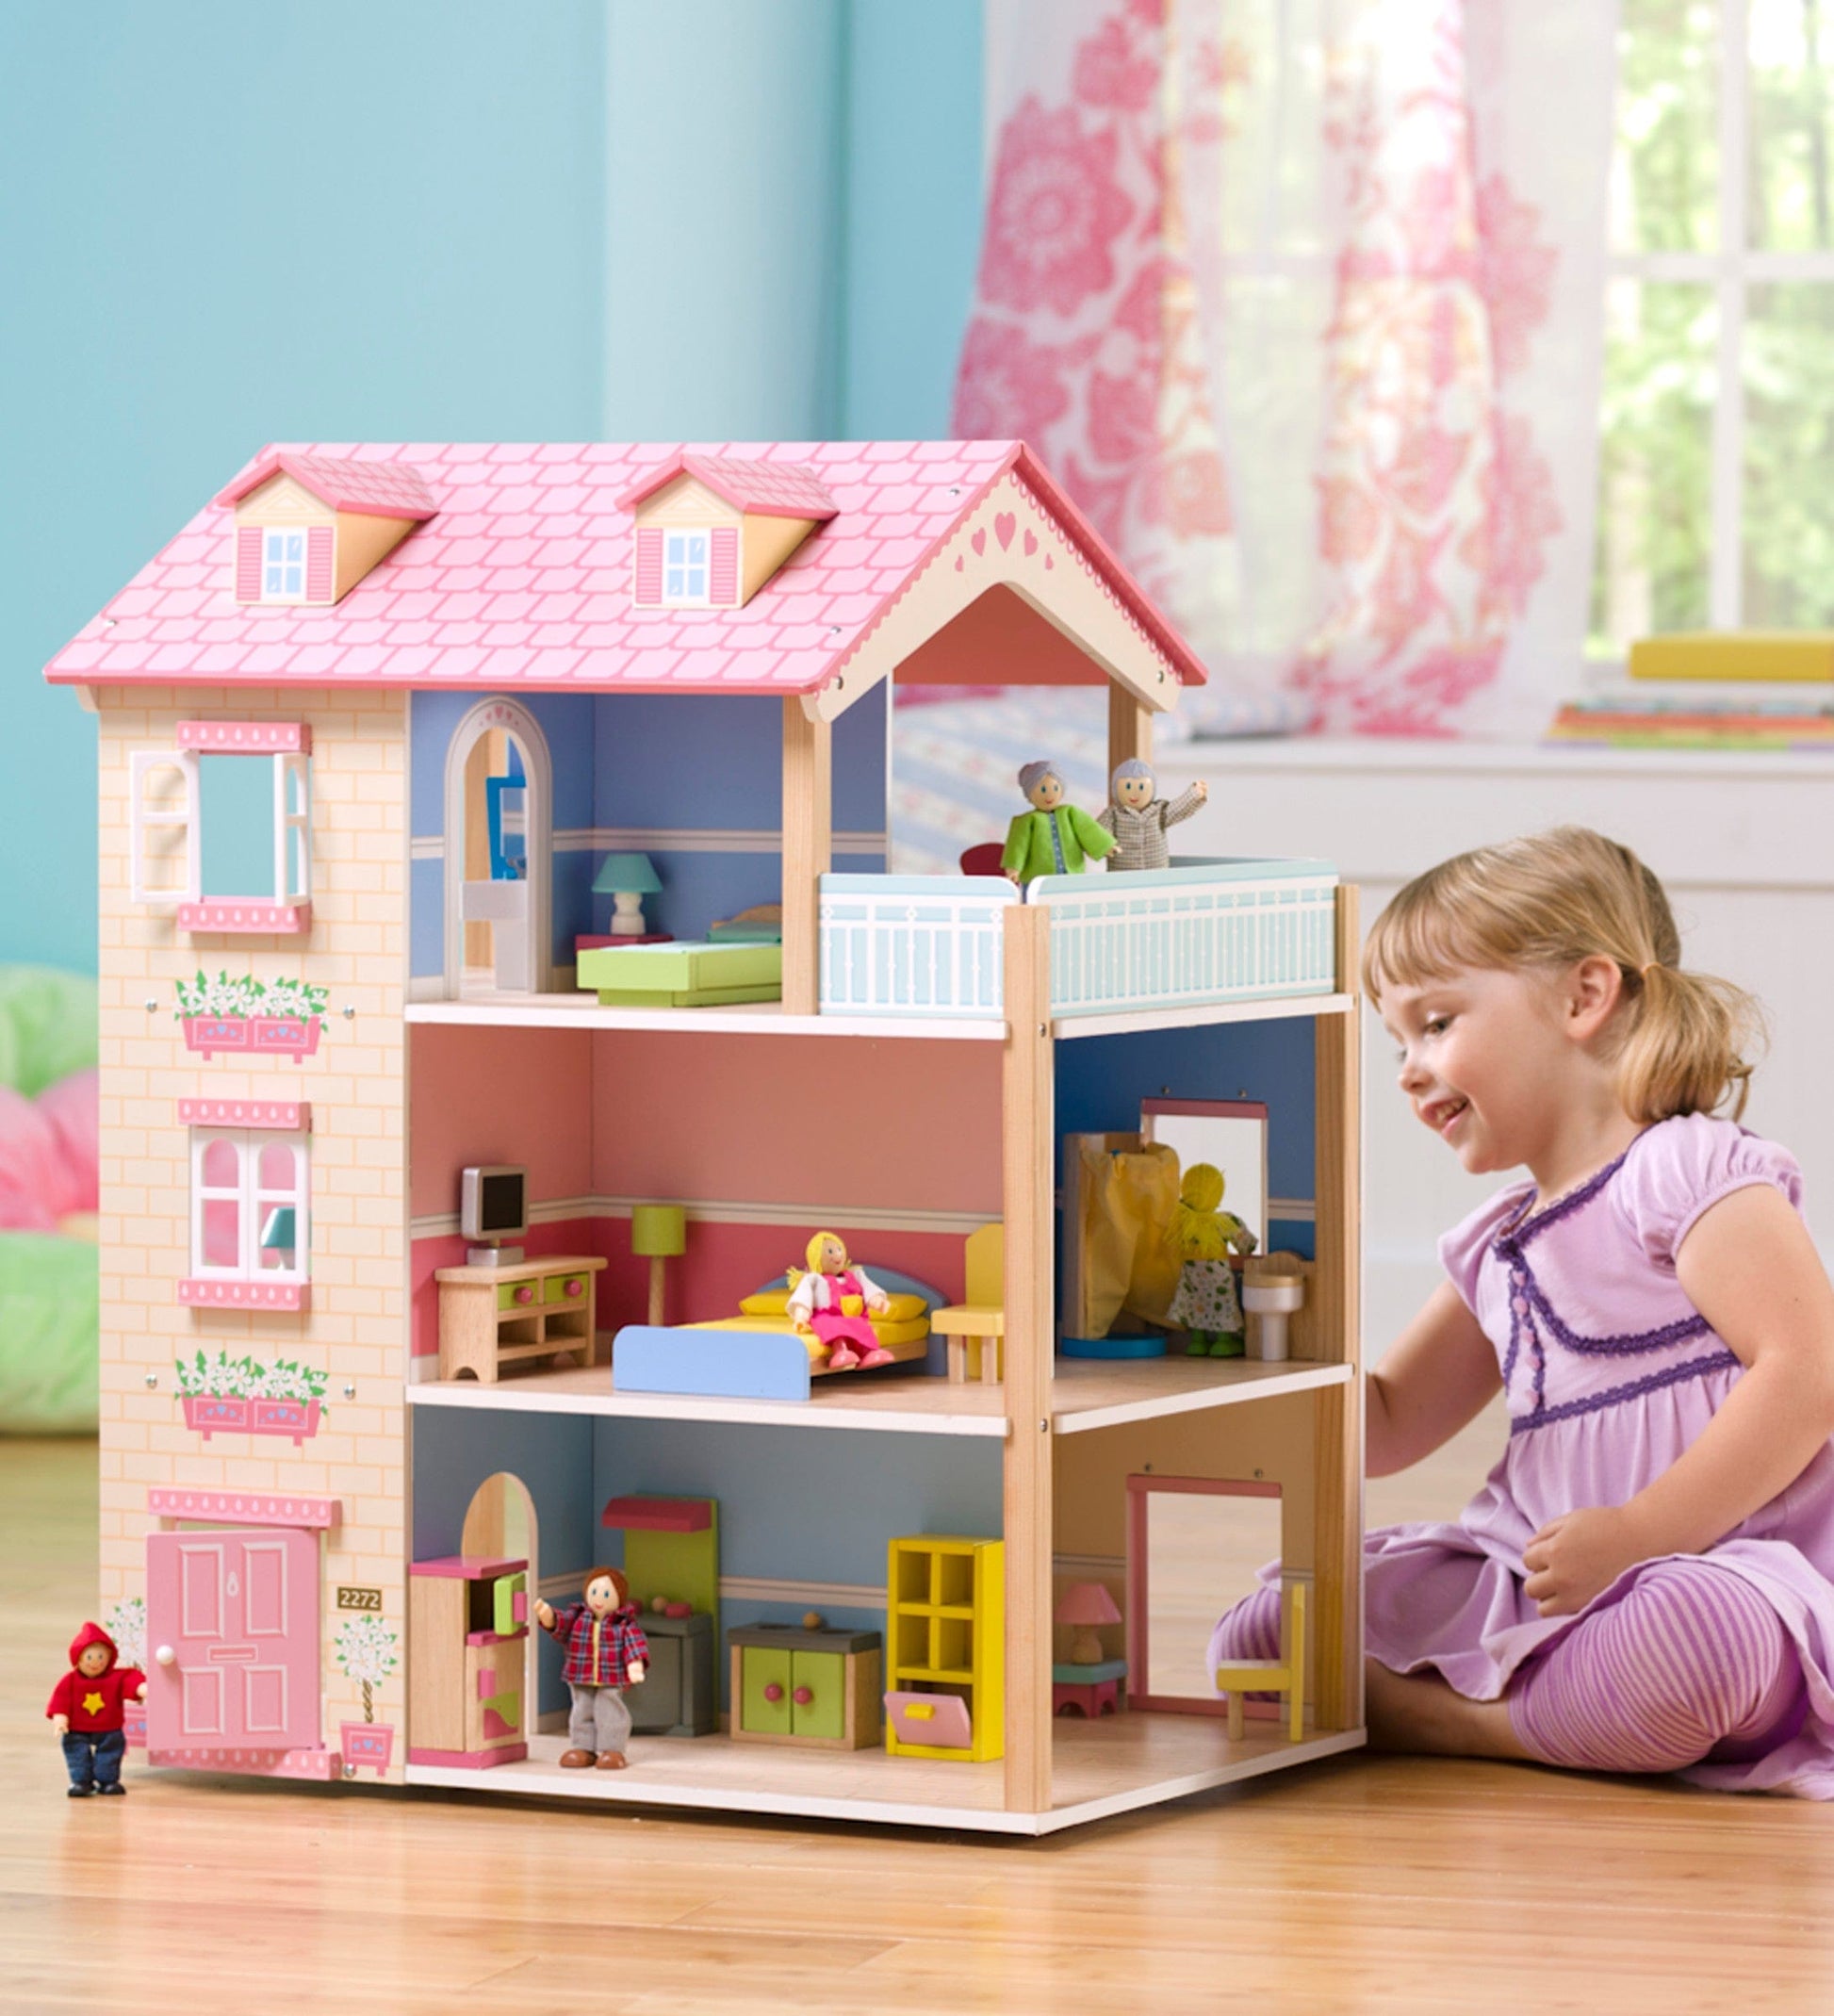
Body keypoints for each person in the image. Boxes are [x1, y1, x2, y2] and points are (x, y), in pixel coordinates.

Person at [1209, 827, 1834, 1795]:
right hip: (1543, 1586)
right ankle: (1561, 1712)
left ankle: (1454, 1724)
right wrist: (1255, 1328)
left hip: (1724, 1569)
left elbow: (1805, 1376)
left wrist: (1639, 1535)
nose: (1408, 1069)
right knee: (1264, 1634)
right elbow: (1381, 1427)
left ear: (1582, 997)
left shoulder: (1685, 1170)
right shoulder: (1492, 1245)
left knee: (1696, 1637)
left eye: (1434, 1022)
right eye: (1395, 1042)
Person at [534, 1566, 648, 1770]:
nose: (599, 1599)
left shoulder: (622, 1624)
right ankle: (583, 1748)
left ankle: (612, 1749)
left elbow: (635, 1644)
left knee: (610, 1711)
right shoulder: (578, 1617)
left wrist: (635, 1665)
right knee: (581, 1710)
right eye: (594, 1592)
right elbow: (562, 1626)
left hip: (610, 1676)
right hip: (580, 1673)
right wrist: (548, 1616)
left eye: (606, 1594)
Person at [1164, 1162, 1257, 1356]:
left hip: (1190, 1273)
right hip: (1217, 1273)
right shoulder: (1223, 1221)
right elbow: (1246, 1245)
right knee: (1222, 1303)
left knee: (1195, 1303)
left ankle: (1198, 1341)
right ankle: (1224, 1341)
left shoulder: (1181, 1218)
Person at [47, 1621, 145, 1797]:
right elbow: (60, 1699)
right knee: (77, 1755)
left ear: (109, 1657)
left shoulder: (116, 1677)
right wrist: (60, 1717)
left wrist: (140, 1687)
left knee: (110, 1754)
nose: (95, 1663)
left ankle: (108, 1781)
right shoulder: (70, 1681)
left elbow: (130, 1679)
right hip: (77, 1729)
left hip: (109, 1728)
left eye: (101, 1657)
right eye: (89, 1657)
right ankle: (81, 1782)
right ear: (78, 1658)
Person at [786, 1231, 894, 1370]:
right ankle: (840, 1350)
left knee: (862, 1327)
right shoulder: (814, 1279)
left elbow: (868, 1290)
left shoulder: (855, 1275)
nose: (837, 1255)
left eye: (839, 1250)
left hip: (852, 1317)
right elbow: (804, 1297)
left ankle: (869, 1352)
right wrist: (801, 1317)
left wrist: (877, 1301)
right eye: (830, 1251)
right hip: (826, 1317)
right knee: (834, 1327)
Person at [1001, 760, 1115, 884]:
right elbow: (1018, 846)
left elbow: (1087, 829)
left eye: (1055, 788)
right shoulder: (1025, 821)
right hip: (1039, 881)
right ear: (1029, 794)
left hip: (1072, 875)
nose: (1049, 794)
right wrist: (1014, 868)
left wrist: (1105, 846)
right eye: (1043, 790)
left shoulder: (1070, 812)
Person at [1095, 758, 1207, 872]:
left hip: (1157, 874)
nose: (1134, 794)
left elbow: (1177, 808)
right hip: (1123, 873)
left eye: (1141, 787)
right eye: (1128, 787)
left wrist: (1194, 794)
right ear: (1115, 789)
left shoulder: (1158, 811)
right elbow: (1098, 831)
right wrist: (1106, 846)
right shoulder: (1113, 814)